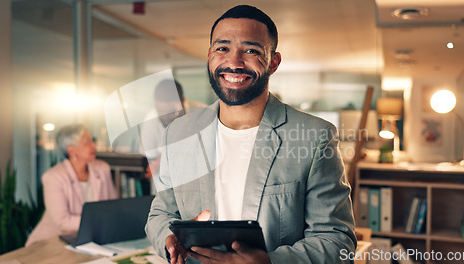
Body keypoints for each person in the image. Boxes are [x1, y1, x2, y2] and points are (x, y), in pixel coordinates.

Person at [145, 5, 356, 264]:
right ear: (209, 55)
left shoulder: (314, 137)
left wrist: (270, 262)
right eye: (222, 48)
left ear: (273, 62)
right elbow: (160, 214)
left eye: (251, 50)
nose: (234, 63)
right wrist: (168, 240)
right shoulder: (179, 133)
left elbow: (336, 240)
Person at [25, 124, 118, 246]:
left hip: (91, 240)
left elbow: (114, 206)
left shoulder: (102, 169)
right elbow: (62, 222)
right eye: (87, 142)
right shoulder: (53, 177)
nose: (94, 146)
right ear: (71, 150)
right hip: (52, 242)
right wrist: (98, 222)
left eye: (92, 141)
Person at [141, 79, 206, 194]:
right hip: (164, 188)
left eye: (172, 112)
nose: (166, 118)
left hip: (197, 184)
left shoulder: (202, 113)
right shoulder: (150, 121)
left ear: (183, 102)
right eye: (161, 112)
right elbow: (150, 164)